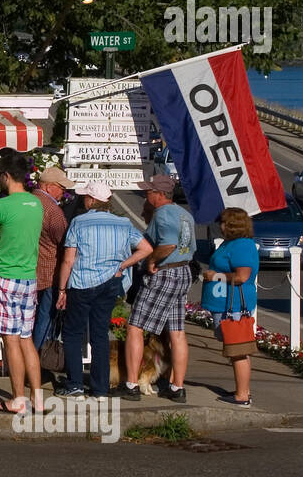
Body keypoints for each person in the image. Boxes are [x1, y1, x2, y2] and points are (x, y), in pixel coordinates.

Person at [55, 182, 153, 397]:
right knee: (99, 335)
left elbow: (68, 261)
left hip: (82, 282)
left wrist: (62, 290)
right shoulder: (123, 223)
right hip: (110, 282)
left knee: (72, 334)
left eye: (85, 198)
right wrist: (123, 265)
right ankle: (99, 389)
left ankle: (75, 385)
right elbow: (146, 249)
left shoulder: (79, 223)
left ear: (91, 200)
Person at [0, 153, 45, 413]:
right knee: (27, 339)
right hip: (28, 277)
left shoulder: (1, 205)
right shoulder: (36, 204)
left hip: (5, 277)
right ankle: (37, 398)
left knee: (11, 340)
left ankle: (17, 399)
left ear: (6, 176)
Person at [122, 173, 196, 402]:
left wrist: (152, 261)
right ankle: (177, 387)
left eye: (149, 191)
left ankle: (132, 384)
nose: (146, 195)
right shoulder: (185, 214)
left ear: (159, 194)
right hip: (183, 270)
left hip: (165, 272)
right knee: (177, 332)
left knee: (135, 326)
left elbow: (168, 244)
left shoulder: (162, 214)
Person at [201, 208, 259, 406]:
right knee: (235, 349)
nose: (221, 226)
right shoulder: (231, 243)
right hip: (223, 304)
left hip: (232, 305)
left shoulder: (242, 246)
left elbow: (242, 277)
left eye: (224, 223)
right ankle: (243, 390)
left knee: (237, 350)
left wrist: (214, 276)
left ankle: (242, 395)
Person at [31, 166, 73, 361]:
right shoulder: (52, 210)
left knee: (27, 320)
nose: (63, 191)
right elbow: (65, 243)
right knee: (44, 319)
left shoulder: (29, 201)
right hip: (49, 272)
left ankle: (25, 362)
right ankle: (38, 362)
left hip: (29, 269)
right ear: (48, 187)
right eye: (60, 187)